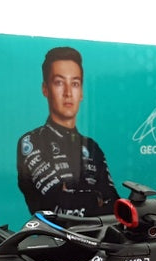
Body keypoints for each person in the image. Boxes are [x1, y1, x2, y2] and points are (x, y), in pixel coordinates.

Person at [17, 46, 119, 217]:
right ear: (45, 89)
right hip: (54, 234)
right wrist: (96, 198)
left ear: (81, 92)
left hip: (100, 234)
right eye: (59, 82)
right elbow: (57, 204)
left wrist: (79, 197)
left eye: (75, 84)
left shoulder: (92, 147)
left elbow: (114, 206)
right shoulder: (31, 142)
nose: (68, 93)